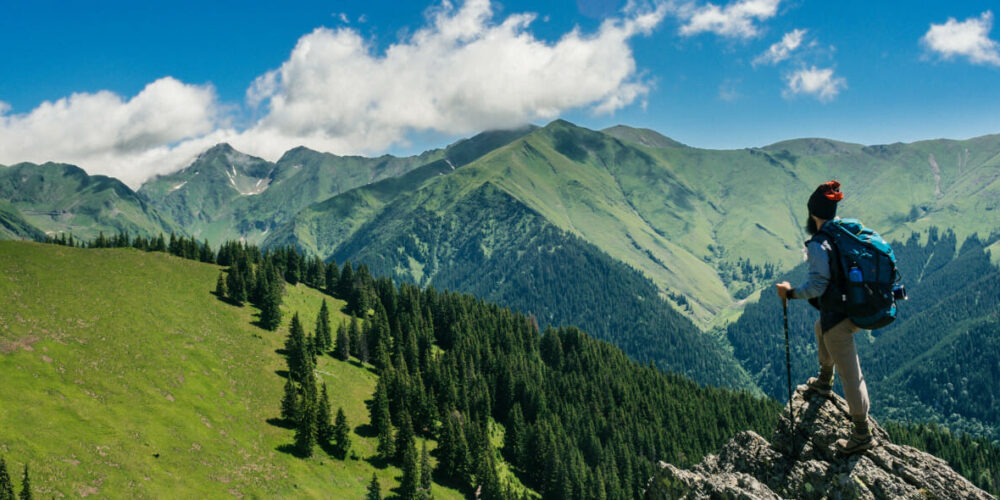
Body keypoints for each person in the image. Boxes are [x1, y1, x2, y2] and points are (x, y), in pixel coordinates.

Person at [775, 180, 875, 454]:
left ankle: (861, 433)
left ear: (813, 214)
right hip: (857, 305)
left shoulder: (821, 243)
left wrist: (790, 293)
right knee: (822, 328)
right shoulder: (845, 231)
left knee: (851, 373)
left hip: (841, 316)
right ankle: (824, 380)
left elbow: (818, 286)